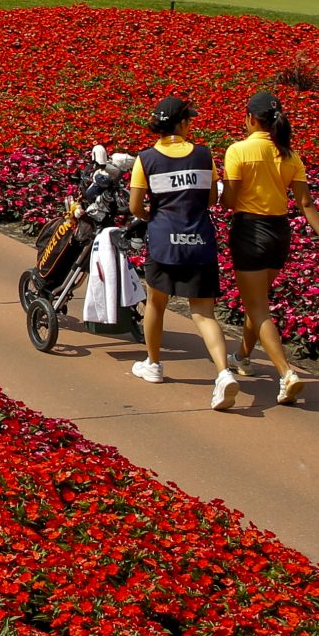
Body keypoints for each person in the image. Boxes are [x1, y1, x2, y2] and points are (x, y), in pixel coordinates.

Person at [222, 90, 319, 408]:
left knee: (259, 307)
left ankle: (285, 373)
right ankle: (242, 357)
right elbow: (305, 203)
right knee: (258, 300)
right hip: (279, 233)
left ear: (250, 118)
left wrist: (218, 189)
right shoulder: (290, 156)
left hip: (249, 231)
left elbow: (230, 202)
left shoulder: (238, 151)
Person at [127, 96, 241, 409]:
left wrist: (154, 217)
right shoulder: (204, 155)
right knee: (204, 313)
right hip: (200, 242)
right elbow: (211, 200)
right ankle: (223, 373)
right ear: (183, 123)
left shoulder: (145, 158)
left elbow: (135, 206)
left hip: (164, 243)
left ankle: (153, 364)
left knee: (156, 303)